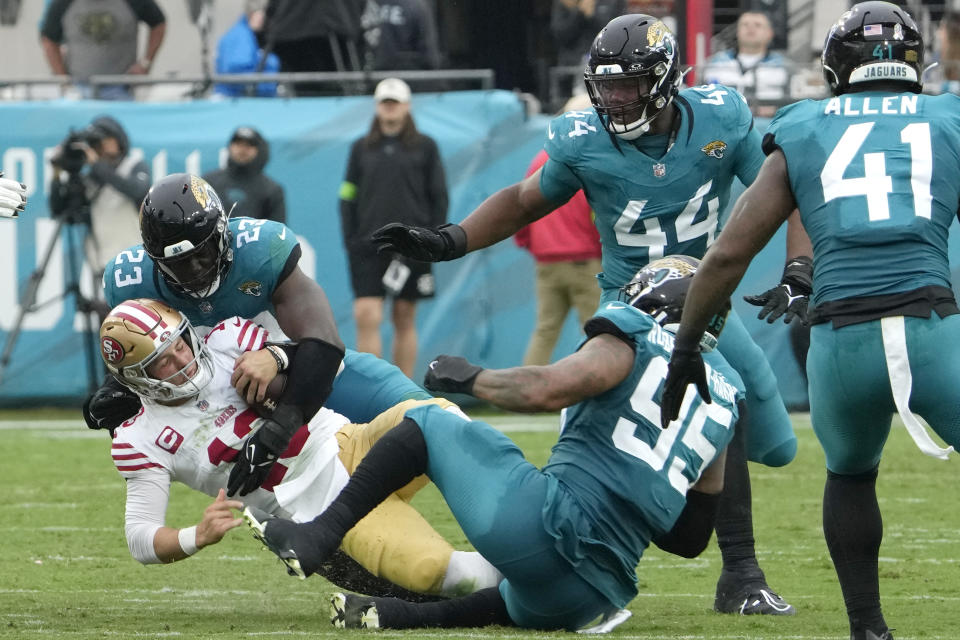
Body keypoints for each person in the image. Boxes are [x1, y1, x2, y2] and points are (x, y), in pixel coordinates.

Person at [372, 14, 799, 616]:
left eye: (629, 84)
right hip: (629, 308)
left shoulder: (722, 117)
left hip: (704, 305)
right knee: (678, 420)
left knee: (778, 446)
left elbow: (785, 184)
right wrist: (448, 241)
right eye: (608, 85)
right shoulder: (583, 138)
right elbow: (525, 201)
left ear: (668, 79)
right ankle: (731, 573)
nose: (616, 98)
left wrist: (801, 267)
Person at [659, 4, 960, 640]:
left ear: (835, 67)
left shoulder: (805, 125)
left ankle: (868, 630)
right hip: (932, 327)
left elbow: (729, 253)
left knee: (849, 475)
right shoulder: (947, 117)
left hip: (841, 338)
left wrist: (686, 345)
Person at [244, 256, 741, 631]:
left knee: (429, 423)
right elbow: (690, 539)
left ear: (654, 302)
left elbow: (551, 387)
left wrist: (472, 379)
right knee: (511, 596)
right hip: (592, 598)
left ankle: (317, 536)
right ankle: (394, 617)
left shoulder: (635, 335)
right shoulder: (725, 399)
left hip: (544, 531)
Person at [99, 298, 501, 598]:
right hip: (320, 507)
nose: (181, 360)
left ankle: (529, 523)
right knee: (441, 573)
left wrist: (276, 356)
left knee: (440, 419)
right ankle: (531, 585)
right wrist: (196, 535)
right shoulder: (141, 438)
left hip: (350, 442)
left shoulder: (226, 341)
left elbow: (322, 355)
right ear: (134, 378)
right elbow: (140, 537)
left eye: (180, 344)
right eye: (162, 362)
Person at [85, 173, 345, 503]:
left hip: (301, 372)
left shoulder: (260, 247)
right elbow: (145, 360)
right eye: (178, 264)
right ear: (156, 261)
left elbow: (323, 345)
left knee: (409, 414)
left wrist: (280, 424)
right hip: (221, 400)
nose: (195, 270)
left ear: (222, 234)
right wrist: (118, 389)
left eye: (202, 254)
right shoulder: (130, 281)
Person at [340, 78, 448, 378]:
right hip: (368, 245)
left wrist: (431, 238)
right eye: (385, 103)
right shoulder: (360, 148)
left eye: (395, 102)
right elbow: (347, 195)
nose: (390, 108)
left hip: (412, 245)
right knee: (367, 314)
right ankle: (373, 388)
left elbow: (438, 195)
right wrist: (352, 238)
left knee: (404, 315)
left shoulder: (425, 147)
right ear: (377, 107)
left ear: (407, 106)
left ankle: (402, 391)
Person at [514, 142, 601, 365]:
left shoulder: (540, 159)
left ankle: (526, 390)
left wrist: (529, 243)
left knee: (545, 330)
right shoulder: (588, 158)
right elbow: (597, 212)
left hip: (546, 261)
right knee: (597, 332)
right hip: (584, 260)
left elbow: (522, 204)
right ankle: (592, 392)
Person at [49, 115, 151, 277]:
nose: (101, 147)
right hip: (106, 265)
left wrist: (97, 165)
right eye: (96, 143)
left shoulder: (134, 166)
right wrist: (57, 172)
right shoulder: (93, 179)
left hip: (137, 262)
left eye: (106, 140)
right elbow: (61, 211)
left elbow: (137, 190)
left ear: (119, 140)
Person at [39, 0, 166, 100]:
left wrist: (145, 63)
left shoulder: (134, 1)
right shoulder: (63, 3)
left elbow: (159, 24)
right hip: (78, 89)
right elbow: (48, 39)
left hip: (122, 89)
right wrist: (64, 81)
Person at [701, 11, 791, 117]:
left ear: (770, 33)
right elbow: (698, 97)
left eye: (758, 25)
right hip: (721, 125)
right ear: (737, 32)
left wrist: (776, 109)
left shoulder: (785, 66)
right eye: (745, 25)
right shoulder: (714, 63)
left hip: (767, 126)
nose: (751, 28)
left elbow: (794, 103)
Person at [202, 126, 286, 223]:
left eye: (249, 145)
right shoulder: (209, 182)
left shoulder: (272, 190)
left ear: (259, 150)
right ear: (230, 147)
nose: (242, 149)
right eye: (238, 144)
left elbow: (277, 232)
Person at [550, 0, 626, 95]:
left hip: (604, 63)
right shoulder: (565, 2)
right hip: (570, 66)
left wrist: (591, 16)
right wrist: (579, 13)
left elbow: (617, 34)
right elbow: (559, 35)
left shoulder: (613, 2)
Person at [213, 0, 281, 98]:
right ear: (252, 14)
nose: (265, 20)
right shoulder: (242, 36)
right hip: (236, 99)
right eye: (262, 14)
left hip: (237, 98)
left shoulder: (245, 34)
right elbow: (237, 70)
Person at [361, 0, 441, 71]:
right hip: (408, 78)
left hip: (372, 76)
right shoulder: (417, 5)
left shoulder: (366, 3)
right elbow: (430, 58)